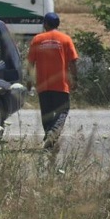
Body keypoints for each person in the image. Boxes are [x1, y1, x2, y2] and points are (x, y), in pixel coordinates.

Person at [27, 12, 79, 151]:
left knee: (47, 114)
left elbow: (30, 63)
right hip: (61, 85)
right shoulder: (66, 39)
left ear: (45, 24)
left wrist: (29, 81)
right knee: (63, 111)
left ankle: (49, 138)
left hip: (43, 85)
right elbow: (72, 63)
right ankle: (52, 134)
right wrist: (74, 79)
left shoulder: (37, 39)